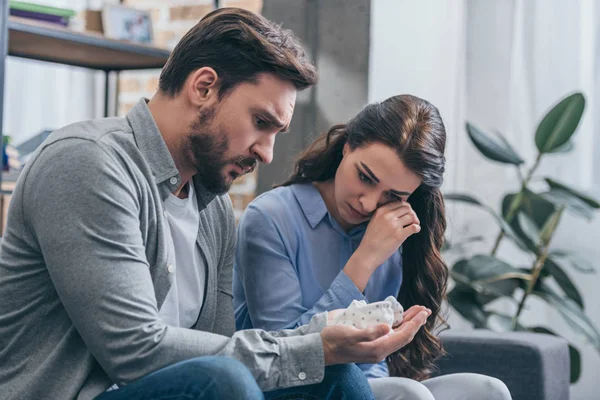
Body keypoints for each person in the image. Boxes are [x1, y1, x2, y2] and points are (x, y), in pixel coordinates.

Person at [0, 9, 432, 400]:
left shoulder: (213, 209)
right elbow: (134, 351)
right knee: (225, 383)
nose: (266, 153)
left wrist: (330, 342)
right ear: (204, 86)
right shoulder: (89, 161)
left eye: (277, 133)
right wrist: (314, 347)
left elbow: (220, 345)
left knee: (337, 378)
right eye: (261, 123)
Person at [233, 94, 513, 400]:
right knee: (409, 394)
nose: (368, 203)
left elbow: (379, 367)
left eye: (393, 196)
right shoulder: (271, 218)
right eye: (365, 177)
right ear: (347, 146)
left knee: (488, 391)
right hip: (293, 386)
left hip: (371, 385)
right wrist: (365, 259)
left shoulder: (398, 229)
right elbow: (281, 350)